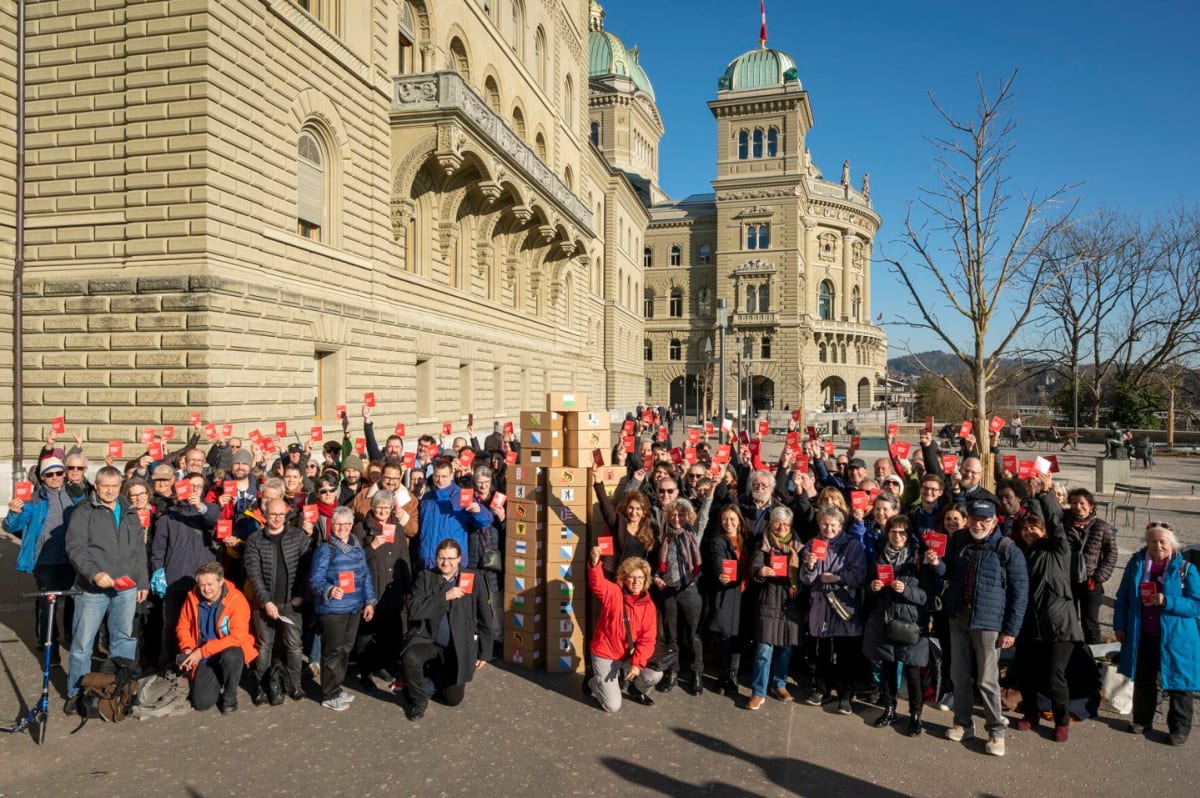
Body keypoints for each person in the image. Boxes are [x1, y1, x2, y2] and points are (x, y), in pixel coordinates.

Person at [942, 498, 1029, 757]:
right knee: (958, 674)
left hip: (989, 623)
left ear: (994, 522)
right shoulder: (959, 541)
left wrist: (1011, 630)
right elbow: (948, 574)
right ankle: (963, 723)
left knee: (987, 680)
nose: (978, 524)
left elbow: (1020, 594)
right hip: (959, 616)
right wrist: (935, 564)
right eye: (974, 519)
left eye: (984, 520)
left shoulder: (1008, 549)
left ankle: (995, 731)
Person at [63, 466, 149, 714]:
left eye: (114, 486)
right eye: (105, 486)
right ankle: (76, 693)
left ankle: (120, 690)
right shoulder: (83, 512)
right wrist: (93, 573)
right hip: (92, 590)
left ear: (120, 485)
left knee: (123, 639)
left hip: (126, 588)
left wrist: (141, 581)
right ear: (96, 486)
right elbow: (75, 549)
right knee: (82, 644)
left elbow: (138, 550)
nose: (110, 491)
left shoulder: (130, 511)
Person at [1113, 522, 1200, 745]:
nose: (1158, 545)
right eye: (1153, 541)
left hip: (1177, 637)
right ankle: (1142, 720)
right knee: (1144, 679)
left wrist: (1167, 601)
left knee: (1180, 684)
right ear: (1147, 543)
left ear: (1171, 543)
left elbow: (1196, 605)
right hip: (1144, 633)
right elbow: (1123, 597)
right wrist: (1119, 625)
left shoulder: (1185, 569)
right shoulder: (1136, 565)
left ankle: (1179, 729)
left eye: (1162, 541)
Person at [862, 515, 942, 736]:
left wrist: (905, 590)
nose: (897, 536)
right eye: (893, 531)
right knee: (888, 666)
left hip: (911, 622)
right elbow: (867, 591)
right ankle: (889, 709)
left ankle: (916, 716)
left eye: (902, 532)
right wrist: (873, 587)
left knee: (913, 672)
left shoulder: (917, 560)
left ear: (908, 536)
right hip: (884, 620)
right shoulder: (879, 557)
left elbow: (928, 597)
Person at [400, 538, 493, 721]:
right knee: (410, 656)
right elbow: (415, 611)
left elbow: (485, 618)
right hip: (429, 639)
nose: (446, 563)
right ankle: (419, 701)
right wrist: (445, 597)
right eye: (441, 558)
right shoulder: (425, 577)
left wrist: (484, 653)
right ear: (436, 558)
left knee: (453, 700)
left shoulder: (473, 578)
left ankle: (430, 682)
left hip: (457, 645)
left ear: (459, 558)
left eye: (451, 558)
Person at [5, 456, 84, 661]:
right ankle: (50, 647)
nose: (55, 477)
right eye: (50, 474)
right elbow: (11, 527)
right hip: (45, 562)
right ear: (42, 477)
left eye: (59, 473)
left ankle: (71, 635)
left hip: (70, 560)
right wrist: (13, 513)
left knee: (75, 601)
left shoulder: (72, 496)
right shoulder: (33, 500)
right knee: (48, 605)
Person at [1012, 506, 1080, 742]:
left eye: (1034, 528)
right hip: (1029, 623)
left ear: (1044, 530)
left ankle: (1061, 720)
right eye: (1025, 528)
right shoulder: (1020, 554)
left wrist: (1043, 495)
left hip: (1059, 623)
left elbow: (1057, 525)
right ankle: (1031, 714)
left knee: (1054, 675)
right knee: (1026, 673)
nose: (1029, 531)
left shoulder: (1058, 550)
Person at [799, 505, 866, 714]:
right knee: (822, 651)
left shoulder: (852, 546)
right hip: (820, 604)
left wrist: (837, 577)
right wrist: (809, 566)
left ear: (841, 525)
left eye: (833, 525)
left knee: (845, 653)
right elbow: (807, 579)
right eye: (825, 524)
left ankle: (845, 695)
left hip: (843, 605)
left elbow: (860, 575)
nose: (828, 528)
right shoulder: (812, 544)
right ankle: (821, 689)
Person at [244, 498, 311, 704]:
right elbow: (254, 574)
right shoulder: (255, 540)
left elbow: (306, 568)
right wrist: (266, 602)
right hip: (265, 604)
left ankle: (294, 684)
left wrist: (300, 595)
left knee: (295, 646)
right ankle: (262, 687)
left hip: (292, 603)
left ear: (286, 515)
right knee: (265, 646)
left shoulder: (298, 536)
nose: (277, 518)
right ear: (264, 515)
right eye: (273, 514)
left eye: (281, 515)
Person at [309, 506, 376, 711]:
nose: (343, 528)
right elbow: (315, 579)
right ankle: (329, 694)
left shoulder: (357, 547)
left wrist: (370, 601)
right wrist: (329, 589)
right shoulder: (325, 549)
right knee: (332, 652)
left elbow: (365, 577)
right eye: (338, 524)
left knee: (346, 650)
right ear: (332, 525)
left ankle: (336, 688)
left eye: (347, 524)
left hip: (354, 608)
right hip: (333, 610)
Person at [583, 547, 662, 711]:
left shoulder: (649, 606)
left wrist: (637, 664)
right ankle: (592, 681)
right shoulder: (613, 593)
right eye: (631, 577)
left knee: (655, 674)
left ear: (646, 580)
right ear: (623, 579)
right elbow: (597, 583)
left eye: (640, 577)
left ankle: (634, 688)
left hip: (628, 654)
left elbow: (647, 640)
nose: (636, 581)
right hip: (606, 652)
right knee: (612, 706)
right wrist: (595, 562)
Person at [175, 561, 257, 713]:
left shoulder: (236, 599)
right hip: (204, 655)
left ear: (221, 581)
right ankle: (219, 677)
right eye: (202, 585)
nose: (206, 589)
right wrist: (187, 648)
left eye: (210, 584)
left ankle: (230, 697)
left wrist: (201, 652)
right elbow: (183, 627)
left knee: (232, 655)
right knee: (201, 703)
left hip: (225, 650)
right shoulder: (192, 598)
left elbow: (237, 637)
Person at [747, 506, 804, 711]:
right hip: (769, 600)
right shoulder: (762, 545)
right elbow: (752, 569)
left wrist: (799, 584)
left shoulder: (798, 546)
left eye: (785, 523)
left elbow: (805, 573)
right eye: (777, 522)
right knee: (764, 649)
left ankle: (779, 684)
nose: (781, 527)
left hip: (790, 602)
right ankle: (758, 691)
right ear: (771, 524)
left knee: (785, 648)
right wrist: (761, 571)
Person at [652, 498, 706, 696]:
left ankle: (696, 674)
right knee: (671, 636)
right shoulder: (664, 537)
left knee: (693, 636)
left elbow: (705, 513)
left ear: (688, 516)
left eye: (681, 514)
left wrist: (712, 489)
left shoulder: (693, 534)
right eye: (673, 514)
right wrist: (657, 577)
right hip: (668, 591)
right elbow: (660, 565)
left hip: (689, 590)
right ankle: (672, 673)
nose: (676, 518)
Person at [705, 505, 752, 698]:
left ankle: (732, 674)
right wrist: (721, 574)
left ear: (739, 522)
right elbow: (717, 560)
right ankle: (723, 675)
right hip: (728, 592)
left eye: (732, 519)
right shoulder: (718, 540)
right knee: (726, 636)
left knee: (739, 637)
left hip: (746, 593)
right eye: (725, 519)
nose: (728, 523)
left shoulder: (746, 540)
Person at [1063, 488, 1118, 644]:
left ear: (1091, 505)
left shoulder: (1102, 527)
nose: (1078, 507)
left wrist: (1099, 577)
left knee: (1090, 621)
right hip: (1068, 580)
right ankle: (1072, 654)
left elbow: (1111, 554)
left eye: (1082, 503)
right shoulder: (1064, 524)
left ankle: (1093, 656)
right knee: (1069, 620)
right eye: (1074, 503)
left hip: (1091, 581)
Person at [416, 460, 493, 570]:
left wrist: (478, 510)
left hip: (451, 561)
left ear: (452, 475)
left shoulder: (461, 495)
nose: (440, 480)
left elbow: (486, 520)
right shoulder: (427, 498)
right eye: (437, 476)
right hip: (427, 559)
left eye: (444, 476)